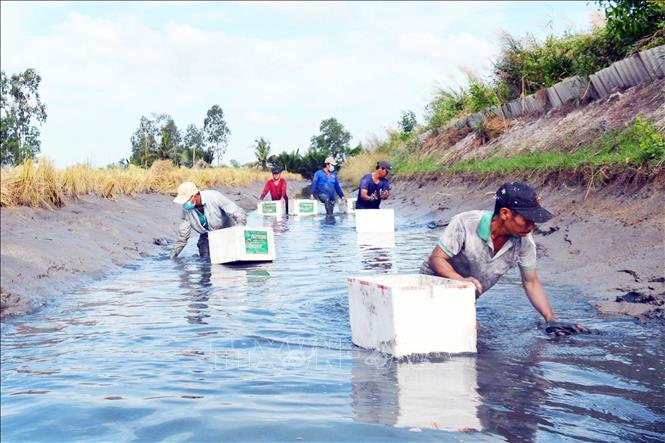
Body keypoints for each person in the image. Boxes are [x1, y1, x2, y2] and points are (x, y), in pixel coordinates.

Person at [420, 181, 587, 336]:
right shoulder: (465, 223)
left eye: (534, 223)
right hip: (430, 288)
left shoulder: (525, 243)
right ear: (505, 213)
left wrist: (551, 320)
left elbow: (531, 283)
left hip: (465, 298)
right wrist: (461, 280)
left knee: (471, 332)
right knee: (462, 331)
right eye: (527, 221)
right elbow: (437, 259)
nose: (531, 228)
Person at [170, 181, 247, 259]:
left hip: (227, 233)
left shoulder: (214, 196)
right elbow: (183, 237)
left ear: (195, 195)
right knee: (205, 260)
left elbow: (238, 213)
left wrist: (239, 229)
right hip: (206, 236)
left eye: (186, 200)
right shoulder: (186, 210)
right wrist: (173, 256)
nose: (185, 203)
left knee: (230, 257)